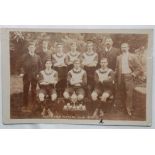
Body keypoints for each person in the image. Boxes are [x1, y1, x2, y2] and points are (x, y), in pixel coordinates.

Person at [115, 43, 142, 116]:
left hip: (129, 77)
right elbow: (117, 69)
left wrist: (133, 74)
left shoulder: (133, 56)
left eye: (125, 47)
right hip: (121, 77)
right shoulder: (119, 57)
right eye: (122, 47)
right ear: (120, 48)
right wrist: (115, 78)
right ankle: (123, 109)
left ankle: (129, 110)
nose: (123, 49)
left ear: (128, 48)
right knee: (122, 93)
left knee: (129, 94)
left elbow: (139, 68)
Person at [19, 42, 42, 112]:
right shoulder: (24, 56)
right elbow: (21, 66)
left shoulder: (37, 57)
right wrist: (22, 72)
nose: (32, 48)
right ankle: (25, 105)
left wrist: (38, 73)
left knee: (34, 90)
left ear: (35, 48)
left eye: (33, 47)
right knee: (25, 90)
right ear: (28, 48)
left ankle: (33, 104)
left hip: (34, 76)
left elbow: (40, 66)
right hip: (26, 76)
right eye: (30, 47)